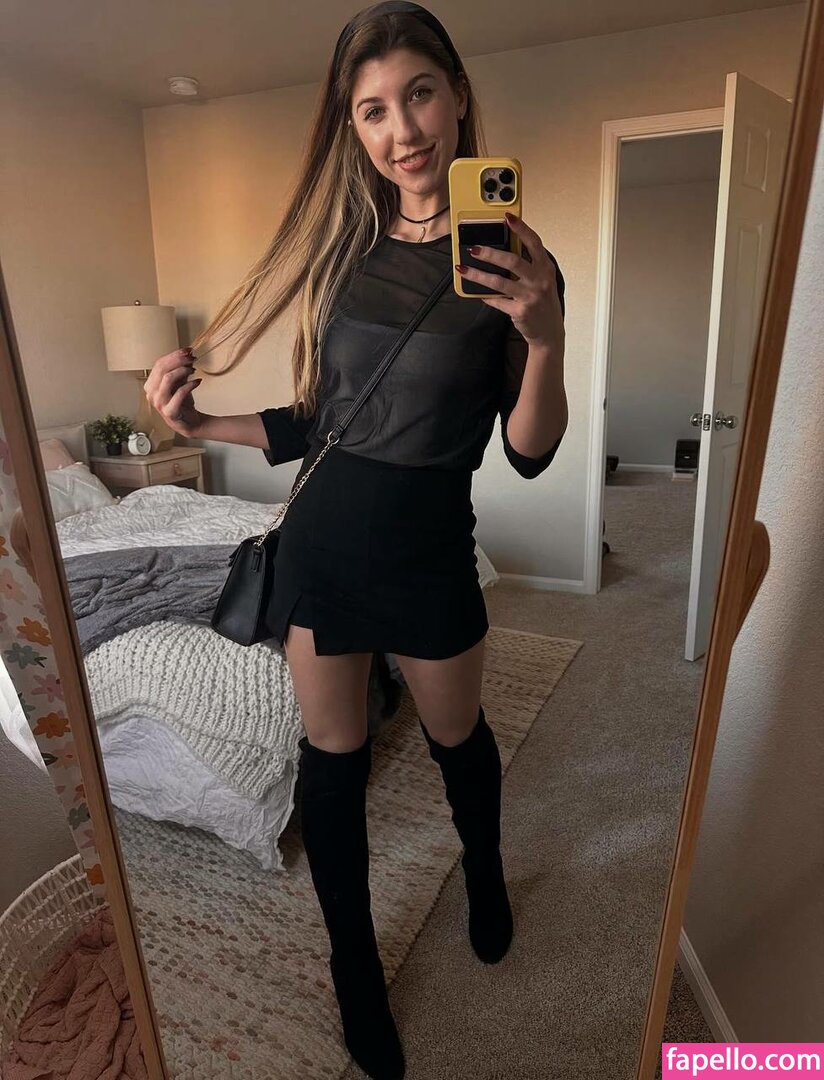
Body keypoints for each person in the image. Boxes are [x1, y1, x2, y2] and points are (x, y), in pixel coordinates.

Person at [145, 3, 567, 1077]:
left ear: (456, 92)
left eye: (417, 94)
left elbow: (528, 452)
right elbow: (318, 422)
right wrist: (201, 425)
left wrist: (545, 338)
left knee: (457, 740)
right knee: (329, 765)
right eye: (372, 110)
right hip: (324, 548)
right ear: (354, 128)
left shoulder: (516, 261)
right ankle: (352, 972)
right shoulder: (346, 259)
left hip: (429, 551)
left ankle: (482, 870)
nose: (402, 130)